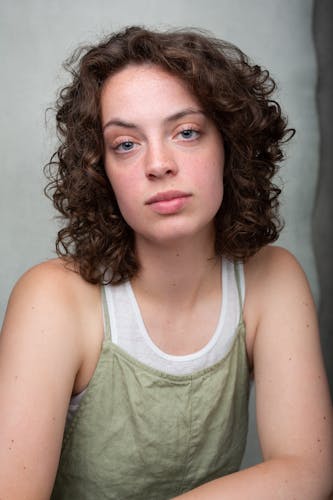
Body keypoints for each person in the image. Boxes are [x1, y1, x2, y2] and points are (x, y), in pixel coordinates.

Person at [0, 25, 332, 500]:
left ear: (229, 146)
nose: (159, 164)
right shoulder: (51, 299)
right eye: (126, 144)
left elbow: (306, 471)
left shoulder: (272, 279)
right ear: (102, 171)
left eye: (187, 132)